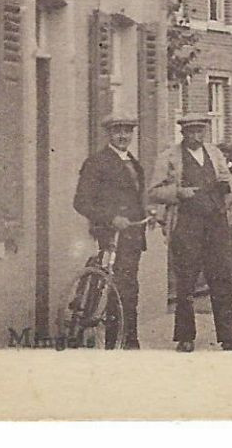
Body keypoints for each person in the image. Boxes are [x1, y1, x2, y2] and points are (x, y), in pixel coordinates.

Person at [149, 111, 232, 352]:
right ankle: (185, 338)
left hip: (215, 225)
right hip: (186, 225)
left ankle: (229, 337)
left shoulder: (214, 153)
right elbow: (153, 191)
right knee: (186, 282)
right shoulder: (169, 157)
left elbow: (231, 180)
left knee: (222, 280)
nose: (195, 134)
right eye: (190, 130)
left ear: (204, 131)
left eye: (199, 130)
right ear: (183, 132)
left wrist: (226, 188)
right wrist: (177, 192)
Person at [72, 112, 150, 349]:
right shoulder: (97, 162)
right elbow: (81, 202)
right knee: (119, 286)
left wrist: (149, 214)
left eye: (127, 131)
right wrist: (111, 218)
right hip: (111, 233)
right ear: (109, 134)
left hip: (133, 234)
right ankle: (122, 341)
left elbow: (136, 198)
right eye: (118, 131)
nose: (123, 136)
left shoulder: (133, 162)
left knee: (129, 286)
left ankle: (127, 339)